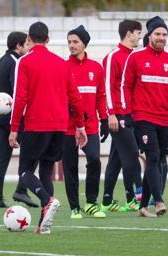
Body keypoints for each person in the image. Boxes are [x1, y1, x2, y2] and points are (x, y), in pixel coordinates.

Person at [9, 21, 86, 234]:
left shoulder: (24, 62)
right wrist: (80, 125)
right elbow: (76, 98)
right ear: (48, 39)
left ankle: (47, 199)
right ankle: (45, 224)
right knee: (45, 172)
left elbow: (20, 98)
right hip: (60, 127)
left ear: (28, 39)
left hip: (36, 125)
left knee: (24, 171)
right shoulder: (62, 63)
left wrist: (14, 128)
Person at [122, 16, 168, 217]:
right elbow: (126, 86)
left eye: (164, 34)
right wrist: (127, 112)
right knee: (153, 156)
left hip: (164, 118)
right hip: (143, 118)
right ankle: (158, 201)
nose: (161, 37)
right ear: (150, 35)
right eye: (158, 34)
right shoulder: (136, 58)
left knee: (156, 160)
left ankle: (143, 207)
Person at [62, 25, 108, 219]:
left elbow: (100, 96)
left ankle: (90, 202)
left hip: (90, 127)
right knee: (70, 166)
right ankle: (74, 206)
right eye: (69, 42)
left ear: (84, 43)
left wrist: (104, 118)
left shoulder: (96, 68)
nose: (72, 45)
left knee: (95, 160)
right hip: (68, 128)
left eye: (75, 42)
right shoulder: (63, 67)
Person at [0, 31, 37, 209]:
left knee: (2, 155)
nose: (28, 48)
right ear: (18, 46)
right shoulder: (16, 62)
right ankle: (22, 189)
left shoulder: (1, 61)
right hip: (14, 118)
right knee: (33, 151)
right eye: (26, 44)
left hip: (0, 116)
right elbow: (18, 90)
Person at [100, 19, 143, 213]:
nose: (140, 36)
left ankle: (107, 200)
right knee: (132, 155)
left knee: (116, 159)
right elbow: (107, 87)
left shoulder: (134, 57)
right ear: (128, 33)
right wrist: (111, 114)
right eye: (138, 32)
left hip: (131, 114)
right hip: (118, 115)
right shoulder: (113, 57)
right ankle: (135, 198)